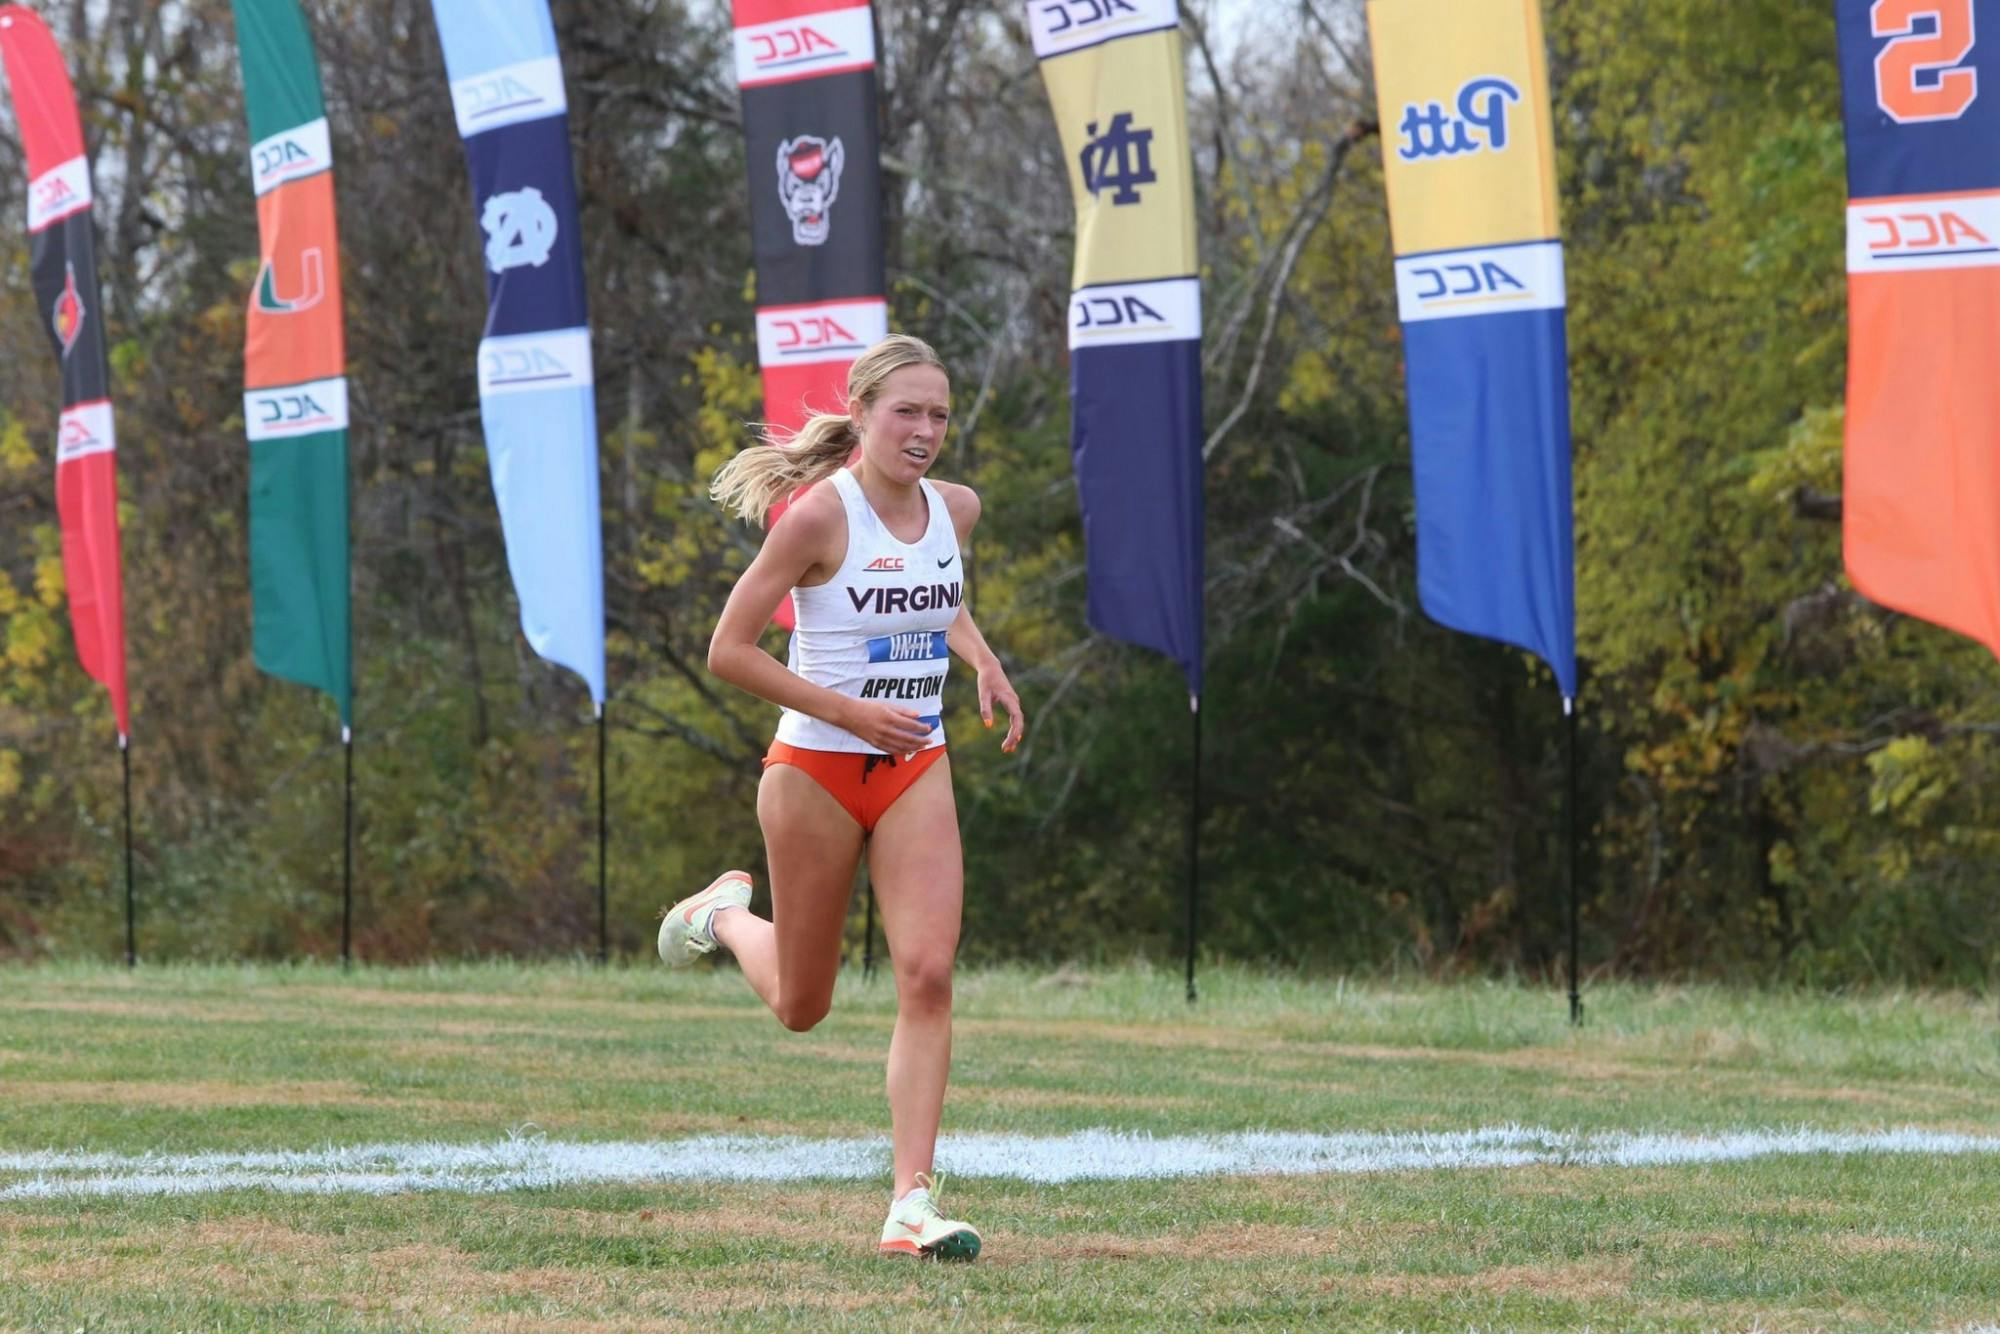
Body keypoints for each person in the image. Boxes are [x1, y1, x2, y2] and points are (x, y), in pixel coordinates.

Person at [657, 334, 1025, 1262]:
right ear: (861, 414)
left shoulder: (958, 509)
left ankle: (911, 1201)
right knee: (802, 1005)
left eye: (939, 414)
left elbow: (937, 598)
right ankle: (726, 916)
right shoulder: (817, 518)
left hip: (915, 766)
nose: (925, 431)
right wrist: (848, 715)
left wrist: (981, 662)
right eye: (906, 411)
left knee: (929, 973)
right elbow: (728, 650)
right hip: (814, 773)